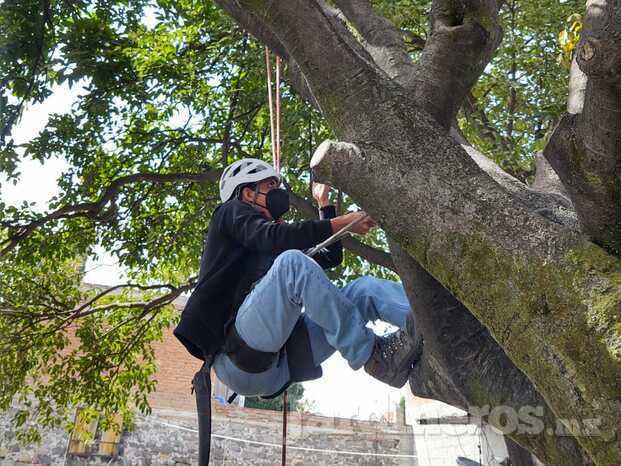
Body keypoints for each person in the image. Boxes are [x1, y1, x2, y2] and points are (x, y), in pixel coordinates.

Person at [174, 158, 423, 401]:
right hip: (236, 357)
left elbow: (329, 257)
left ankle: (429, 325)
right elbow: (274, 239)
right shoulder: (231, 213)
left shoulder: (273, 239)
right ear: (248, 194)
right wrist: (342, 223)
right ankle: (374, 357)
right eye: (270, 186)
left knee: (363, 290)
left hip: (279, 364)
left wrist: (324, 204)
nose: (277, 192)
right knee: (292, 262)